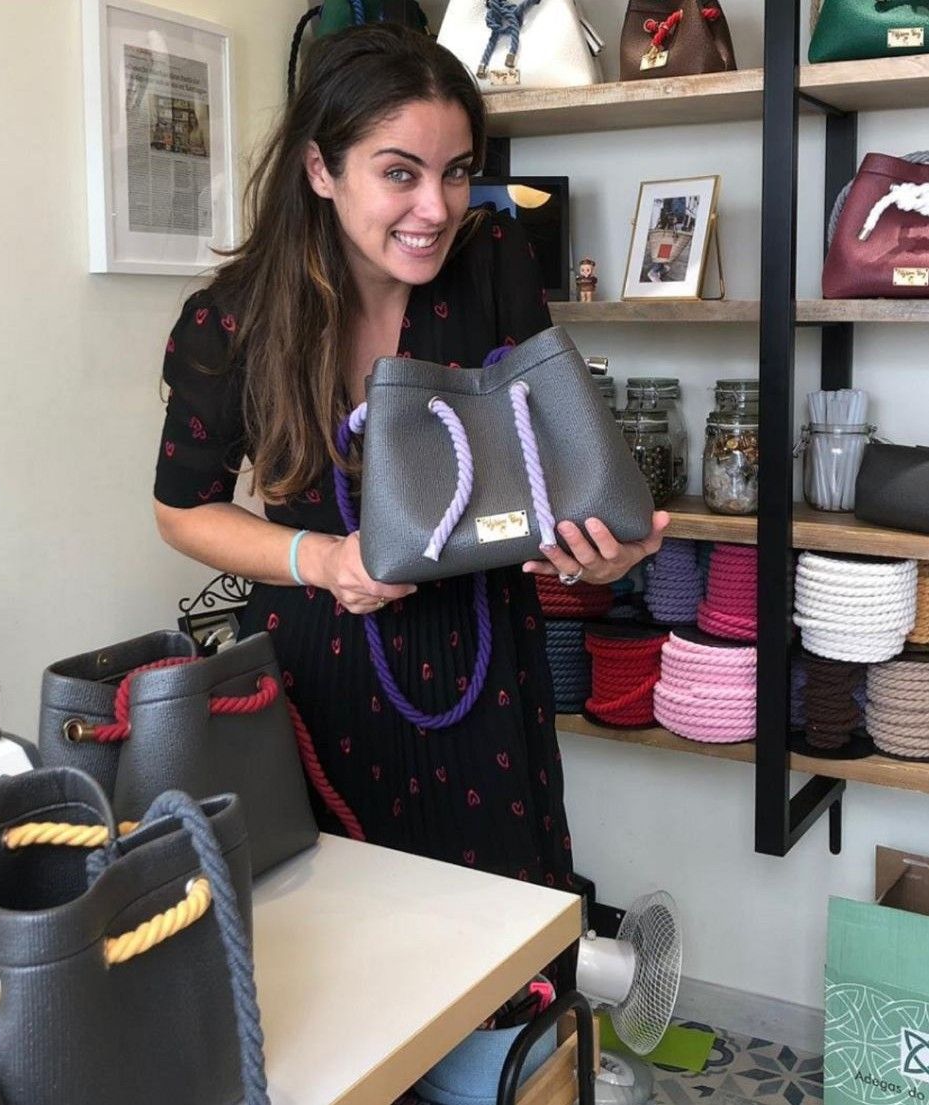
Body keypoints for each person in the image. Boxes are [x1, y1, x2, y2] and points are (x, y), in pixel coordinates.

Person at [153, 23, 668, 985]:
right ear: (320, 167)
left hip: (487, 658)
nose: (435, 207)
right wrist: (324, 562)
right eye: (399, 173)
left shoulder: (492, 260)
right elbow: (181, 511)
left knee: (499, 959)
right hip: (318, 677)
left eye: (456, 171)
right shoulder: (231, 320)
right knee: (351, 969)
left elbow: (544, 446)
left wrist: (590, 549)